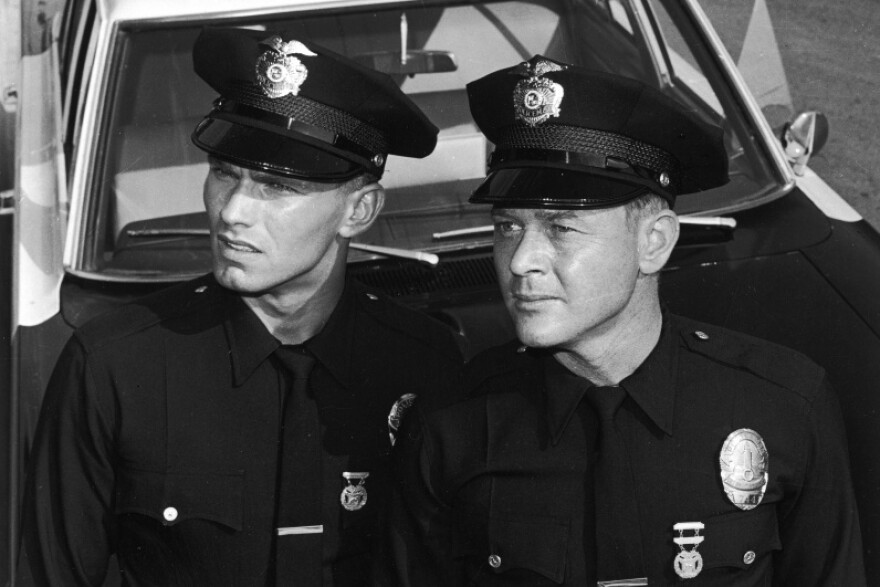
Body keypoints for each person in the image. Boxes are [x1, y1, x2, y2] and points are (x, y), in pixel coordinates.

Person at [383, 57, 866, 585]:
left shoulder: (783, 405)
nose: (521, 261)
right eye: (507, 228)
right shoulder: (452, 428)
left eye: (562, 228)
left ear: (652, 242)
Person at [19, 28, 462, 586]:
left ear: (360, 211)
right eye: (225, 174)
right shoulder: (115, 367)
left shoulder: (425, 363)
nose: (232, 212)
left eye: (276, 188)